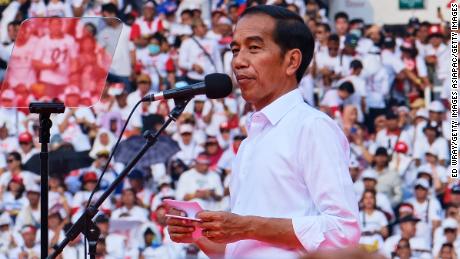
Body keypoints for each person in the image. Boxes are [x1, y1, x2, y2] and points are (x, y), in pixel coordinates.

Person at [166, 5, 360, 258]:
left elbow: (343, 230)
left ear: (291, 61)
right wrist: (200, 233)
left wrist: (247, 226)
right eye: (235, 50)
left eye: (254, 48)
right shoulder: (250, 143)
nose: (238, 61)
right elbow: (242, 248)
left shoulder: (311, 127)